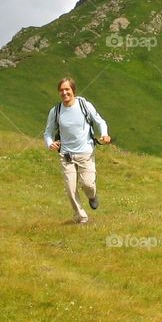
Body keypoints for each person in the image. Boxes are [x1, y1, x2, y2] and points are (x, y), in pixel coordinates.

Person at [43, 77, 111, 224]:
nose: (64, 92)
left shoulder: (84, 105)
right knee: (70, 189)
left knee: (87, 185)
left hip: (86, 153)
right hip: (66, 155)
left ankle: (92, 196)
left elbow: (100, 121)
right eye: (61, 90)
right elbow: (47, 132)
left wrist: (104, 134)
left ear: (73, 90)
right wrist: (50, 143)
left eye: (67, 89)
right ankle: (82, 218)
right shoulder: (56, 111)